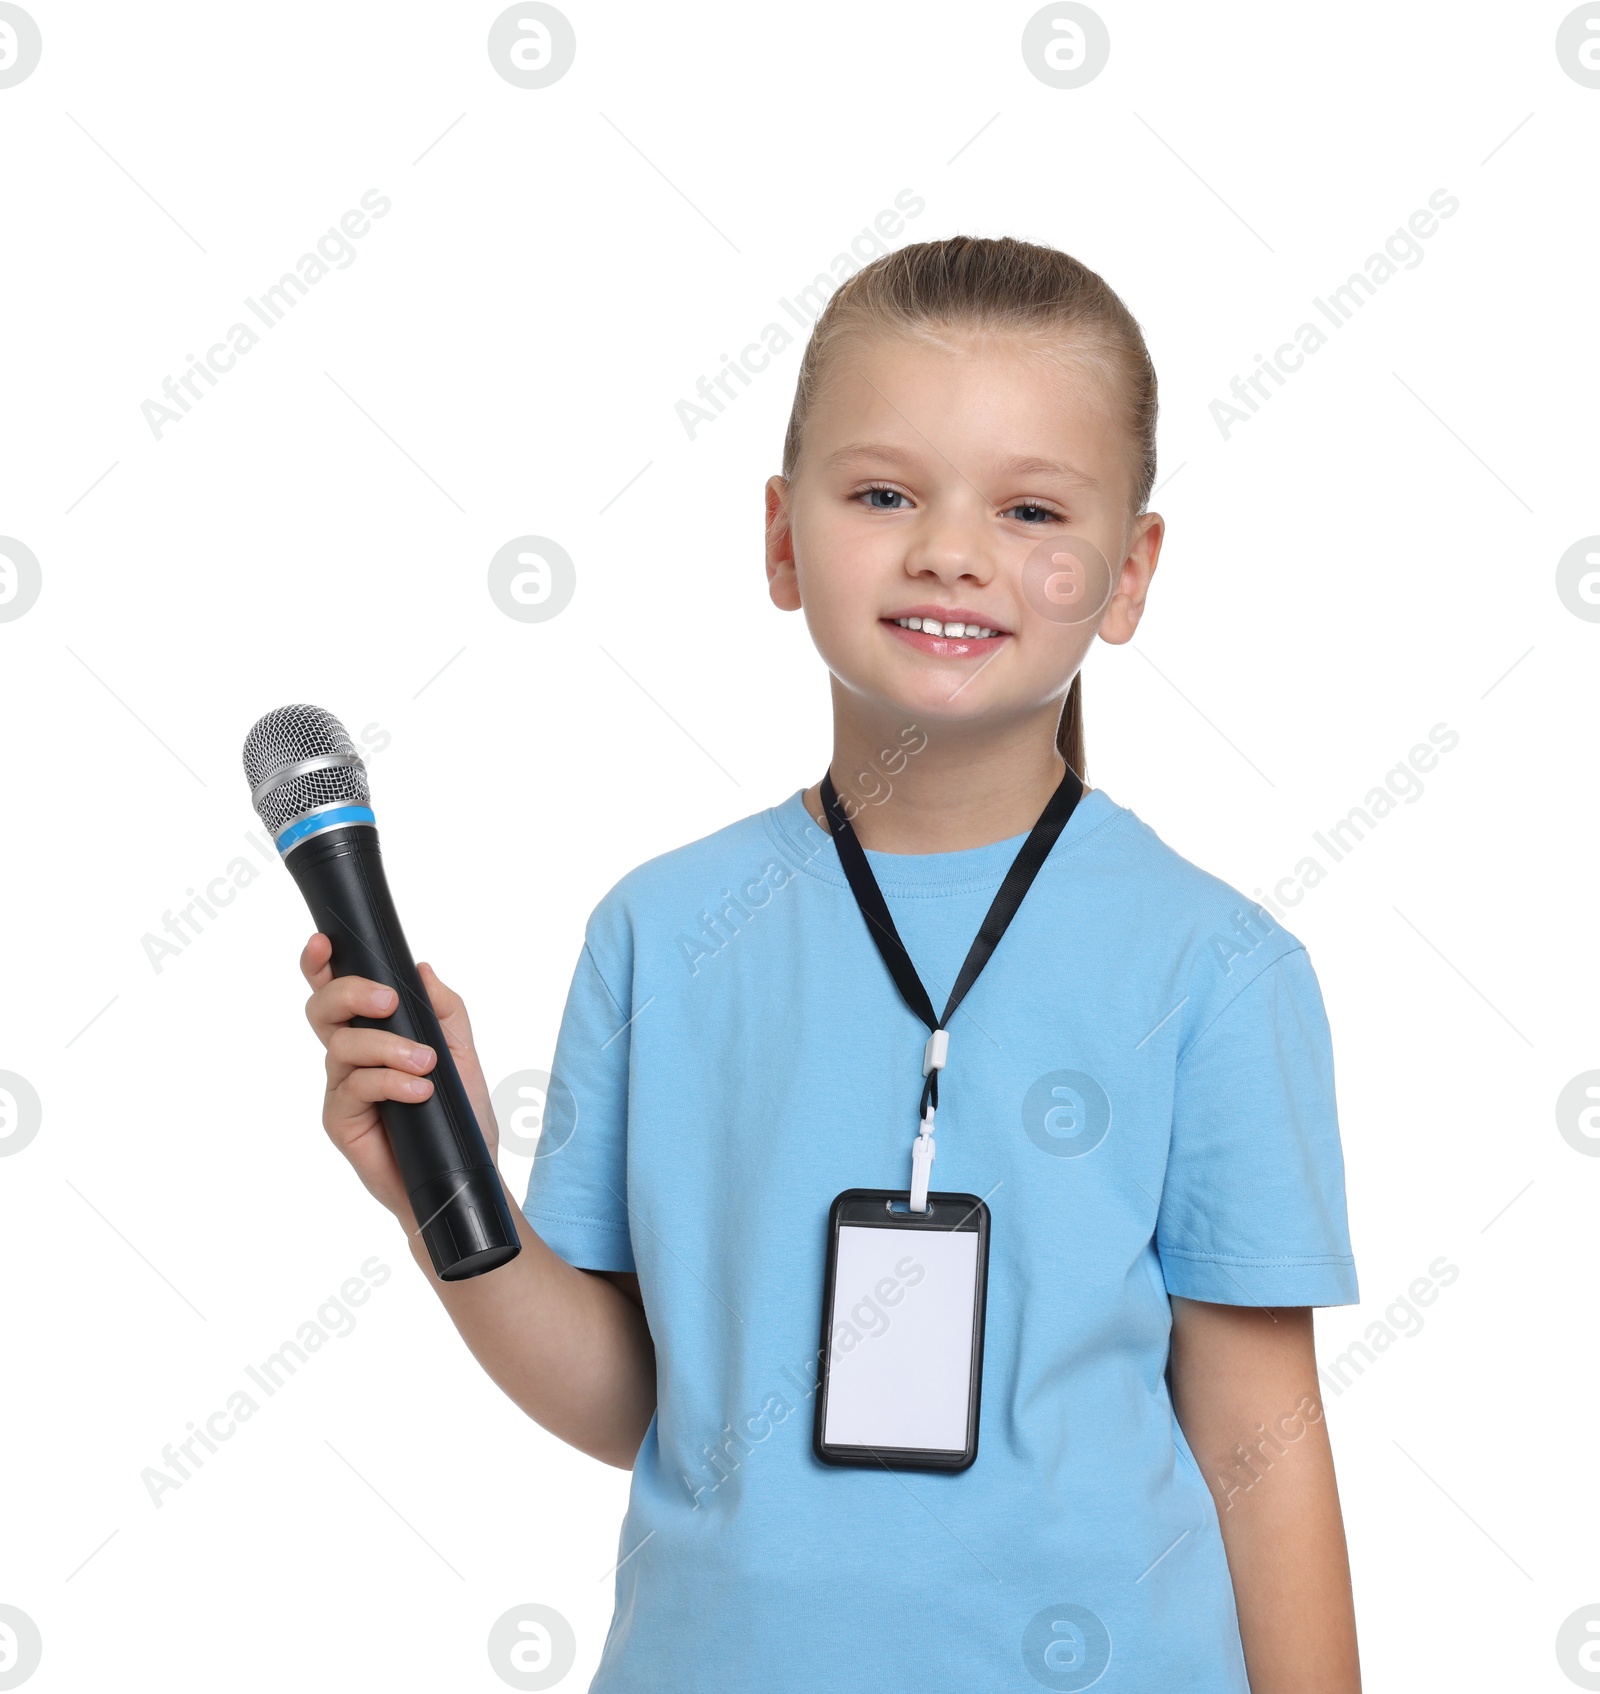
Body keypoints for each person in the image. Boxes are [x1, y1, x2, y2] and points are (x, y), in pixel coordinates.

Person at [299, 235, 1361, 1692]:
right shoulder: (662, 929)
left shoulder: (1217, 964)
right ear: (783, 539)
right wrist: (444, 1186)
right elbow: (642, 1399)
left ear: (1130, 572)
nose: (950, 550)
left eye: (1032, 506)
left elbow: (1261, 1445)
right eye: (882, 493)